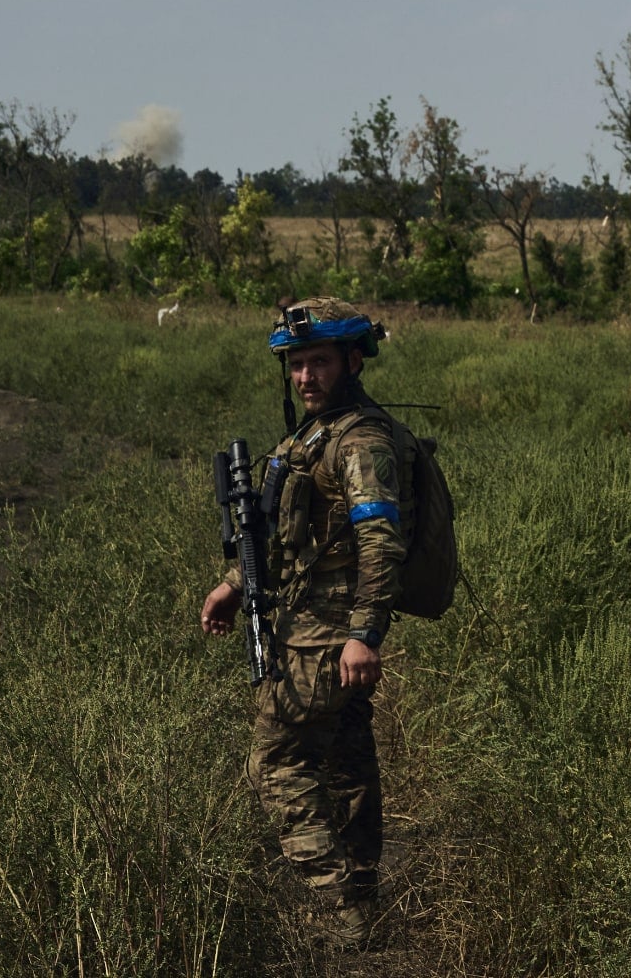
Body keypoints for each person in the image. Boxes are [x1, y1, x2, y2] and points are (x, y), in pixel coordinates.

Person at [199, 298, 412, 949]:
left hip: (325, 643)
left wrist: (363, 635)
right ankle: (365, 905)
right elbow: (287, 541)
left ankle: (340, 914)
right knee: (346, 765)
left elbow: (382, 544)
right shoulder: (312, 436)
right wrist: (235, 585)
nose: (305, 376)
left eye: (318, 361)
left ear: (352, 361)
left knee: (277, 765)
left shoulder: (361, 441)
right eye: (295, 364)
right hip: (310, 629)